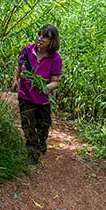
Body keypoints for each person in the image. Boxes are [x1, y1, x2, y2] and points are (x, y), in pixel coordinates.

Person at [12, 23, 62, 164]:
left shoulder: (55, 58)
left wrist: (46, 87)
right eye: (39, 35)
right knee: (28, 124)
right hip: (25, 94)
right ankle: (32, 154)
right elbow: (19, 65)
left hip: (43, 98)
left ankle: (41, 142)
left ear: (52, 42)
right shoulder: (27, 50)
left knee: (43, 124)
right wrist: (15, 80)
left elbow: (55, 81)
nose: (40, 39)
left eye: (45, 38)